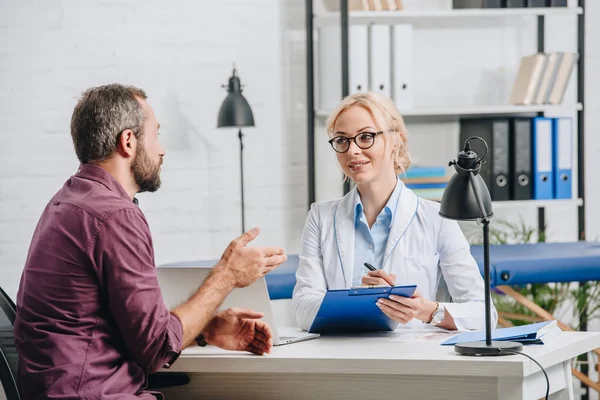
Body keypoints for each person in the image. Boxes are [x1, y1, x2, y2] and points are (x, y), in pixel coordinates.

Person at [13, 84, 287, 400]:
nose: (161, 149)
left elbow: (131, 332)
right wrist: (227, 275)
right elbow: (156, 349)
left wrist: (205, 329)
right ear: (128, 141)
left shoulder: (66, 202)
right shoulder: (114, 215)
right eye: (155, 135)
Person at [292, 91, 496, 332]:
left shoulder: (437, 219)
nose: (352, 150)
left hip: (411, 363)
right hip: (342, 361)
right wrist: (361, 302)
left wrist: (426, 310)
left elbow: (484, 315)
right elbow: (303, 309)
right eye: (341, 140)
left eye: (366, 136)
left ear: (395, 140)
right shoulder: (320, 217)